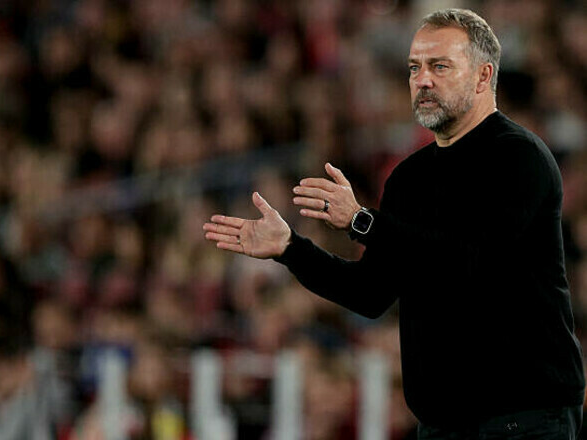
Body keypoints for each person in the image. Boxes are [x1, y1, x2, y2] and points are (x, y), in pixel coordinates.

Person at [203, 8, 585, 439]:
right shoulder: (408, 179)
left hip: (522, 416)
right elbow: (370, 293)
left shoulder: (518, 158)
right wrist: (292, 248)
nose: (423, 80)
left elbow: (470, 263)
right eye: (414, 68)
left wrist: (361, 221)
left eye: (440, 66)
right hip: (441, 424)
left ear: (483, 76)